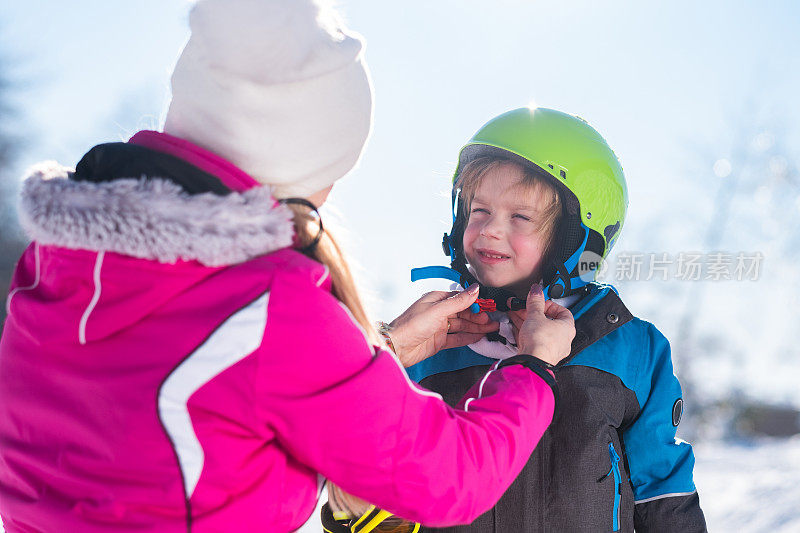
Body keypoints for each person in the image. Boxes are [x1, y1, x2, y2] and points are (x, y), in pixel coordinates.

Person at [0, 2, 578, 532]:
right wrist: (533, 367)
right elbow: (449, 478)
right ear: (292, 157)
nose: (328, 193)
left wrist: (384, 350)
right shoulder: (270, 309)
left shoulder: (56, 262)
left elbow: (216, 404)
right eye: (330, 171)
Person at [348, 107, 707, 532]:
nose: (489, 230)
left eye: (520, 217)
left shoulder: (631, 349)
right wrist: (381, 358)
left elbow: (663, 495)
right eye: (479, 210)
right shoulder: (427, 348)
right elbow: (370, 491)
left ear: (577, 239)